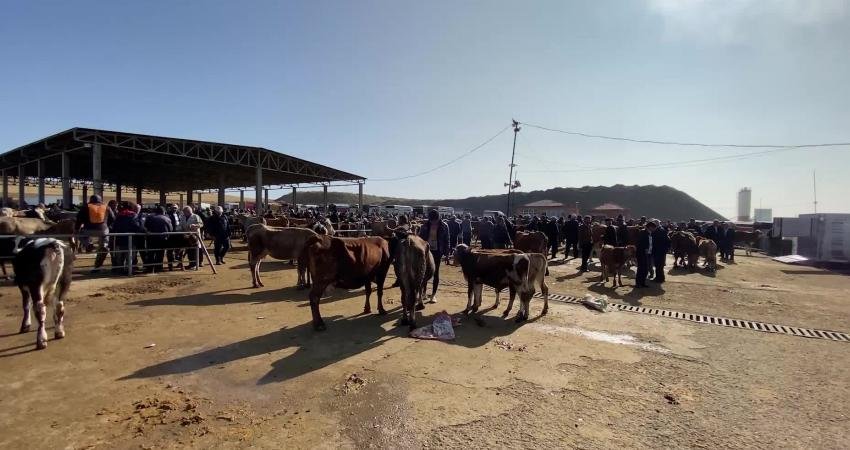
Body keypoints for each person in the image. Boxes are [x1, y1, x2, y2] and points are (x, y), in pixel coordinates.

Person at [418, 210, 449, 303]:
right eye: (432, 221)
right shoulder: (424, 226)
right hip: (426, 251)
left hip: (438, 252)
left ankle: (433, 295)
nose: (433, 223)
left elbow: (447, 240)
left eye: (435, 221)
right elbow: (420, 238)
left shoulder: (444, 226)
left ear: (438, 218)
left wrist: (447, 253)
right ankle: (423, 293)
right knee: (424, 272)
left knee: (436, 273)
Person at [75, 194, 112, 273]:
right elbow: (113, 218)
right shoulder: (107, 207)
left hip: (88, 229)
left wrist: (76, 229)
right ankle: (104, 244)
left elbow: (79, 219)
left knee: (80, 234)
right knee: (105, 238)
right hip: (103, 230)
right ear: (100, 200)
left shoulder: (86, 207)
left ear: (91, 200)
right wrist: (106, 225)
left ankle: (88, 244)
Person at [112, 201, 145, 273]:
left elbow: (114, 227)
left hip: (119, 239)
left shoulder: (119, 215)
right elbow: (138, 227)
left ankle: (120, 270)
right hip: (131, 240)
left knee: (120, 257)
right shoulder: (133, 215)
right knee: (130, 256)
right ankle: (128, 270)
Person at [143, 206, 173, 273]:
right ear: (163, 212)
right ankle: (158, 268)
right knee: (160, 254)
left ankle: (150, 268)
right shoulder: (167, 219)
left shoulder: (150, 217)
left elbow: (145, 227)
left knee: (150, 254)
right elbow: (171, 229)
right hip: (162, 239)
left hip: (151, 239)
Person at [635, 221, 657, 288]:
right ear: (650, 227)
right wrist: (645, 248)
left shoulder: (650, 233)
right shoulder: (642, 232)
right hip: (642, 254)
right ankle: (638, 283)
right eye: (654, 227)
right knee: (641, 268)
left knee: (646, 269)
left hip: (649, 254)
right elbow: (639, 243)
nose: (654, 229)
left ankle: (643, 282)